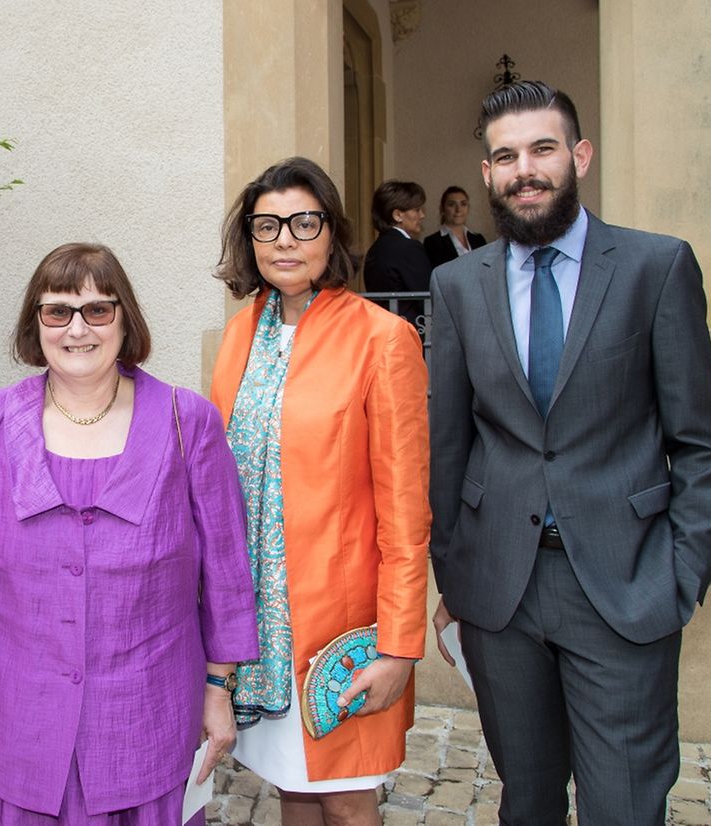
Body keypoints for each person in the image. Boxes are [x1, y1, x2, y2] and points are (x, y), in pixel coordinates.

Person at [428, 81, 711, 825]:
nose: (524, 169)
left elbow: (700, 443)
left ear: (580, 156)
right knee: (527, 801)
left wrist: (680, 575)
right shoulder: (457, 284)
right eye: (506, 156)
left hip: (625, 585)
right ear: (488, 171)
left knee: (624, 806)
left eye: (542, 149)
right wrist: (455, 569)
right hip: (502, 592)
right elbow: (447, 442)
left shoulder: (654, 268)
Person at [0, 242, 258, 824]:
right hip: (14, 729)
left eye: (97, 310)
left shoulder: (189, 423)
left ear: (124, 318)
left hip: (147, 724)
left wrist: (219, 690)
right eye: (57, 311)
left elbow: (228, 572)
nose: (76, 329)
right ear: (36, 325)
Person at [211, 157, 431, 826]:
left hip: (341, 627)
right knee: (289, 786)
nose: (285, 240)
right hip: (260, 630)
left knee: (345, 796)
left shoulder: (382, 339)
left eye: (304, 223)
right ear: (248, 238)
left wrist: (399, 645)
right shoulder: (240, 332)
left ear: (331, 235)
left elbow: (406, 509)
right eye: (267, 224)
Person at [361, 179, 433, 326]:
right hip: (411, 333)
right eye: (416, 210)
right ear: (398, 215)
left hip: (381, 331)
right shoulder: (408, 248)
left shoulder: (375, 249)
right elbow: (428, 297)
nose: (422, 215)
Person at [423, 186, 487, 268]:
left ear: (468, 208)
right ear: (442, 209)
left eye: (463, 204)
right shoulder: (432, 242)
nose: (458, 209)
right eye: (451, 205)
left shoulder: (479, 239)